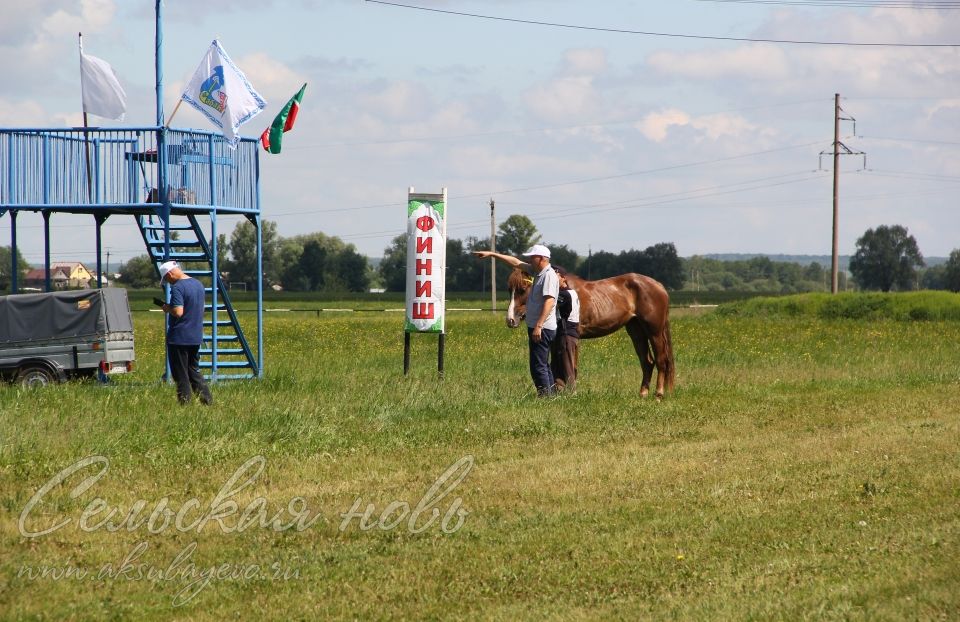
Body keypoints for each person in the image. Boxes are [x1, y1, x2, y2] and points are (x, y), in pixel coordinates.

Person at [474, 245, 559, 397]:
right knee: (543, 364)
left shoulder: (548, 276)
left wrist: (538, 326)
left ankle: (546, 397)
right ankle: (551, 395)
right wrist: (492, 254)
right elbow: (515, 262)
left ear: (542, 258)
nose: (529, 260)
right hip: (538, 327)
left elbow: (549, 302)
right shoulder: (538, 272)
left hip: (542, 328)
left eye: (532, 257)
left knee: (538, 365)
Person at [159, 260, 213, 406]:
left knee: (180, 374)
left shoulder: (178, 287)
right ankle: (206, 401)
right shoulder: (198, 284)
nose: (167, 282)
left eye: (166, 278)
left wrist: (167, 308)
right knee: (193, 371)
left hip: (179, 337)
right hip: (195, 335)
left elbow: (178, 311)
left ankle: (185, 404)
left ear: (170, 274)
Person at [551, 266, 580, 392]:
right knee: (558, 364)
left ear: (563, 278)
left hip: (566, 333)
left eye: (555, 276)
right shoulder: (570, 292)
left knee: (567, 365)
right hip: (566, 333)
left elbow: (550, 307)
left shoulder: (564, 294)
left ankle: (571, 393)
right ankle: (559, 389)